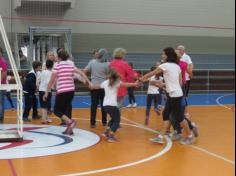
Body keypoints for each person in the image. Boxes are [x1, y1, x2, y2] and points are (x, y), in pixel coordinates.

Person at [140, 47, 195, 145]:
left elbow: (151, 73)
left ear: (167, 55)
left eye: (163, 54)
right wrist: (166, 85)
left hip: (175, 95)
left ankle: (190, 135)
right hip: (174, 93)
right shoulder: (176, 66)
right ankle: (160, 137)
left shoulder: (164, 65)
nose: (162, 56)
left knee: (179, 117)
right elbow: (180, 83)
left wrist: (140, 80)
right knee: (166, 114)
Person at [43, 49, 92, 135]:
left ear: (59, 57)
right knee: (66, 109)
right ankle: (69, 129)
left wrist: (46, 92)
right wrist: (89, 82)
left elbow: (51, 80)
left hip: (62, 91)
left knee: (57, 111)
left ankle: (70, 122)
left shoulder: (57, 66)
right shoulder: (70, 64)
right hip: (71, 91)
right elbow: (81, 73)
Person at [91, 69, 139, 142]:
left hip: (105, 105)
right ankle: (111, 136)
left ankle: (106, 132)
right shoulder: (117, 82)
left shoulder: (105, 82)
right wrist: (134, 84)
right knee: (117, 120)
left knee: (113, 119)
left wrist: (91, 85)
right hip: (112, 105)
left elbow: (96, 87)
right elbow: (126, 84)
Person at [84, 49, 109, 128]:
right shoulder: (107, 64)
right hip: (103, 87)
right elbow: (111, 74)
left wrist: (87, 82)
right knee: (103, 105)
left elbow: (84, 71)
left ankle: (92, 123)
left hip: (94, 86)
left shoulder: (92, 62)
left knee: (94, 105)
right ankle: (104, 121)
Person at [38, 59, 54, 124]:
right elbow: (48, 83)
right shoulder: (51, 73)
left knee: (43, 105)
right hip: (47, 91)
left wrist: (39, 87)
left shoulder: (42, 72)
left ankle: (45, 118)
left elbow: (38, 81)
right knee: (45, 106)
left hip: (41, 90)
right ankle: (44, 119)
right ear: (52, 66)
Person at [0, 47, 8, 123]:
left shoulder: (2, 62)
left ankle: (1, 117)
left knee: (1, 102)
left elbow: (4, 73)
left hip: (1, 85)